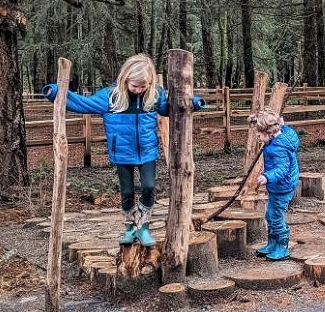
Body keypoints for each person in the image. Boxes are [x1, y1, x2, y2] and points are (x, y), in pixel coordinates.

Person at [43, 54, 205, 246]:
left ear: (150, 82)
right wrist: (56, 92)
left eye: (143, 86)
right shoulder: (111, 97)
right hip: (121, 152)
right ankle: (130, 227)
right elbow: (82, 103)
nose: (138, 90)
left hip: (147, 150)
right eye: (134, 86)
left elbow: (171, 107)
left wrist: (193, 103)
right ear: (125, 79)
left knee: (149, 187)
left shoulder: (154, 95)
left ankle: (143, 226)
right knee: (127, 191)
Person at [250, 108, 300, 261]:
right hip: (277, 186)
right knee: (270, 215)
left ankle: (282, 247)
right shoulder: (281, 138)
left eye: (259, 135)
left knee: (276, 216)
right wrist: (283, 126)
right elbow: (287, 133)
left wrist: (267, 176)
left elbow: (282, 169)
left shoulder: (279, 148)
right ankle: (272, 243)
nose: (258, 138)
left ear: (269, 133)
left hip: (282, 187)